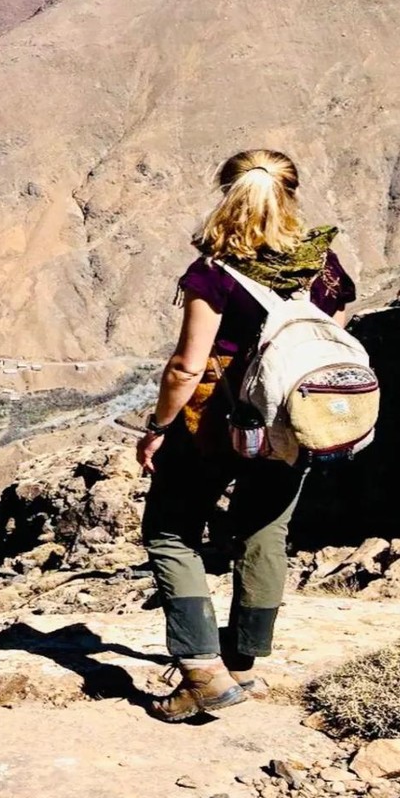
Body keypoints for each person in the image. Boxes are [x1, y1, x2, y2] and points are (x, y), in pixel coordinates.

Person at [136, 148, 356, 722]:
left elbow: (186, 366)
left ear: (226, 192)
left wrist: (157, 428)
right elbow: (332, 333)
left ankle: (203, 674)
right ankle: (241, 665)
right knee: (264, 531)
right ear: (291, 194)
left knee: (169, 531)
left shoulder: (214, 271)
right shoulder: (322, 264)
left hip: (214, 422)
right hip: (293, 421)